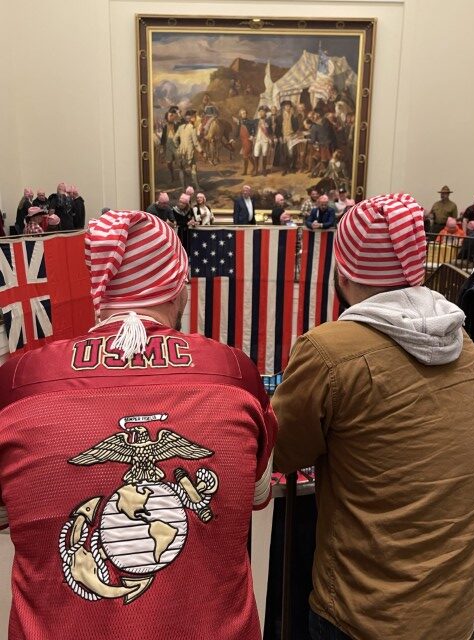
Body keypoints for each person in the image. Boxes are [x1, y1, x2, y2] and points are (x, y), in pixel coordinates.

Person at [0, 209, 277, 640]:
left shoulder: (19, 383)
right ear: (177, 287)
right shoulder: (235, 374)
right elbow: (258, 494)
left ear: (100, 288)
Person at [272, 192, 474, 640]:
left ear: (344, 272)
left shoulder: (328, 352)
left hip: (364, 613)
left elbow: (279, 452)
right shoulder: (469, 348)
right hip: (458, 610)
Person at [174, 109, 204, 190]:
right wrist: (201, 151)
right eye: (194, 117)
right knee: (193, 168)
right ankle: (198, 188)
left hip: (181, 151)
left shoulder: (180, 127)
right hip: (189, 151)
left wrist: (178, 147)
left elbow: (175, 139)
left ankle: (183, 189)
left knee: (181, 169)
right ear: (191, 118)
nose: (196, 118)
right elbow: (196, 143)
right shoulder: (192, 128)